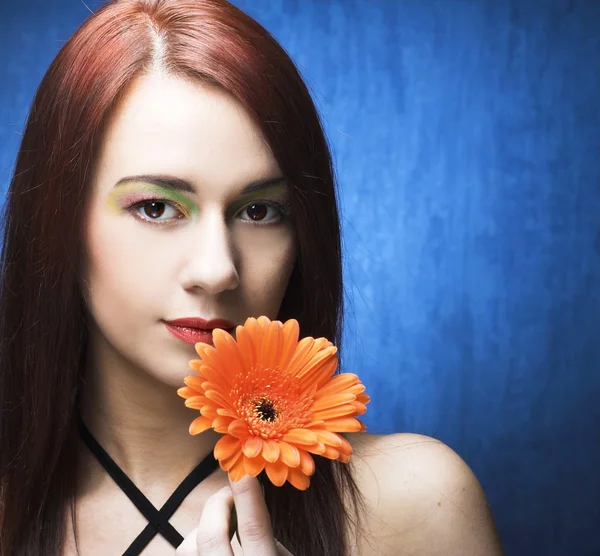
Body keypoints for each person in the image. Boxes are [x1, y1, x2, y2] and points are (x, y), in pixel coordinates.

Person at [0, 0, 505, 554]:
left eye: (259, 212)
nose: (218, 269)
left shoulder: (415, 504)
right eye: (156, 207)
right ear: (58, 222)